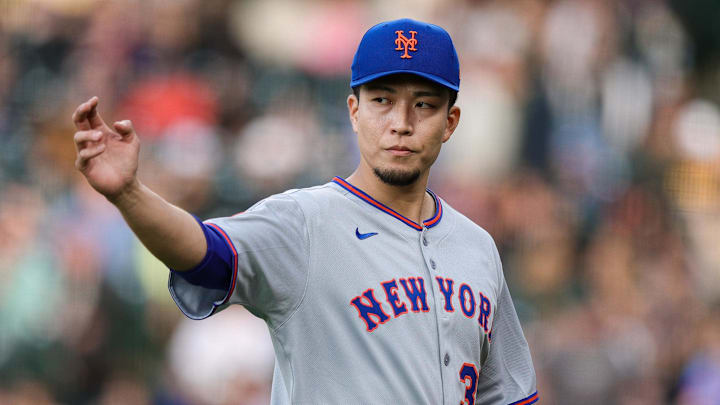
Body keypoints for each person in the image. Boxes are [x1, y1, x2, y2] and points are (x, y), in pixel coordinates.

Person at [72, 18, 538, 405]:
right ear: (354, 111)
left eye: (424, 104)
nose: (401, 122)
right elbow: (204, 252)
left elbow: (510, 395)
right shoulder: (303, 222)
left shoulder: (478, 247)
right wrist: (129, 194)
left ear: (450, 122)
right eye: (382, 101)